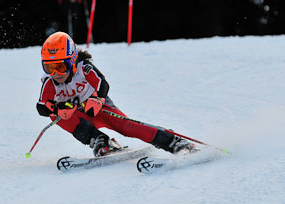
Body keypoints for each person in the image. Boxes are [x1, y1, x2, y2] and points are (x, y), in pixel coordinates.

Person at [36, 31, 198, 157]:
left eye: (61, 67)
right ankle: (100, 140)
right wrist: (57, 108)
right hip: (80, 115)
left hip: (99, 107)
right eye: (49, 68)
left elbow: (102, 83)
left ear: (72, 61)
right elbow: (42, 106)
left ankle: (173, 141)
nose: (56, 73)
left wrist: (98, 99)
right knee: (54, 116)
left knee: (126, 127)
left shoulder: (83, 68)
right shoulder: (50, 82)